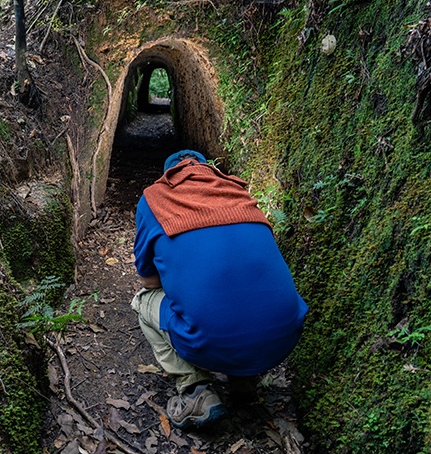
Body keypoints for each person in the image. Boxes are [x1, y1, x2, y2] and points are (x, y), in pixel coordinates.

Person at [131, 149, 308, 429]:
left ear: (167, 176)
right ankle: (243, 381)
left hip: (212, 341)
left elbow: (150, 282)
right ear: (210, 171)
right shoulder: (241, 194)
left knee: (143, 302)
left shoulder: (154, 200)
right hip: (284, 337)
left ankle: (194, 390)